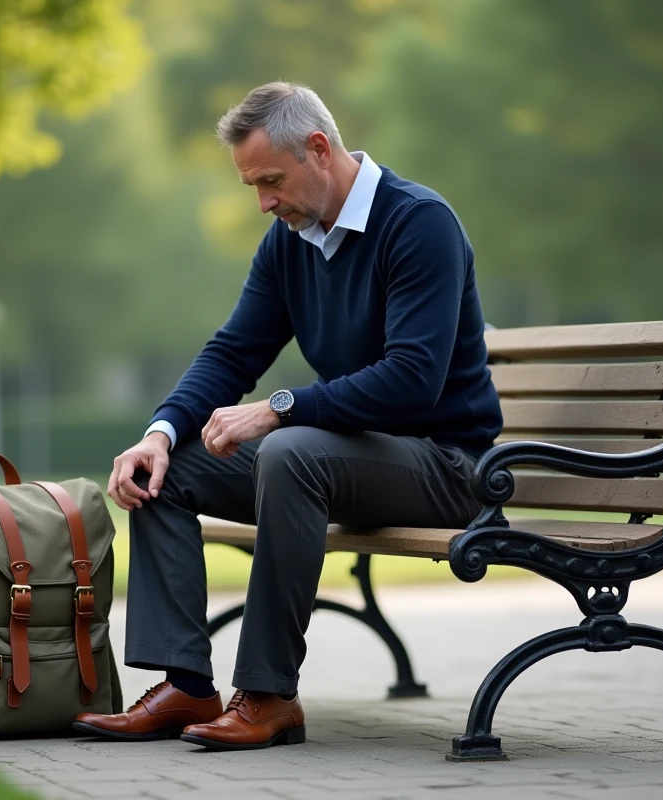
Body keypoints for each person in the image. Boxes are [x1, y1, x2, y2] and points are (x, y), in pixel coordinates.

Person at [73, 82, 502, 751]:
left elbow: (413, 381)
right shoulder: (290, 241)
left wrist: (280, 409)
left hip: (447, 467)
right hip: (350, 458)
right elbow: (233, 352)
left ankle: (269, 695)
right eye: (253, 186)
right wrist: (158, 434)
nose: (264, 203)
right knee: (167, 471)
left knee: (289, 451)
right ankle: (186, 683)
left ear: (319, 149)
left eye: (271, 181)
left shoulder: (419, 223)